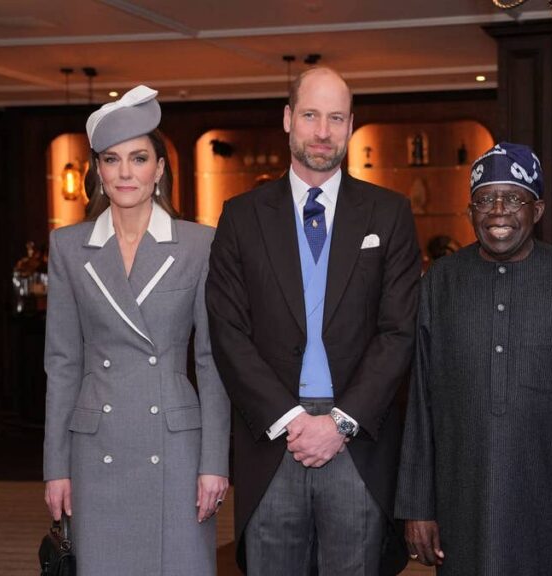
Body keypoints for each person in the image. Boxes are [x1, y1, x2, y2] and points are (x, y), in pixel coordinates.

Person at [205, 67, 420, 575]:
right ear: (287, 119)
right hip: (272, 441)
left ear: (350, 126)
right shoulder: (240, 215)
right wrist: (292, 420)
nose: (323, 131)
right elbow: (227, 332)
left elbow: (399, 330)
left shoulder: (388, 214)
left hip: (357, 442)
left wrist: (340, 422)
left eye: (336, 118)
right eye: (310, 115)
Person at [396, 142, 552, 574]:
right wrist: (417, 505)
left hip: (551, 500)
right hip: (461, 501)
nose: (497, 211)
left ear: (538, 209)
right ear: (470, 210)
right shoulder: (440, 282)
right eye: (484, 199)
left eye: (513, 198)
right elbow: (419, 400)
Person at [43, 85, 231, 575]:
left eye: (139, 158)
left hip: (175, 447)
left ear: (160, 168)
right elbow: (62, 364)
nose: (126, 172)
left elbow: (212, 363)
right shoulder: (68, 247)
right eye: (112, 159)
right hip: (96, 445)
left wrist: (215, 461)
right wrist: (55, 467)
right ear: (98, 171)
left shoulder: (198, 244)